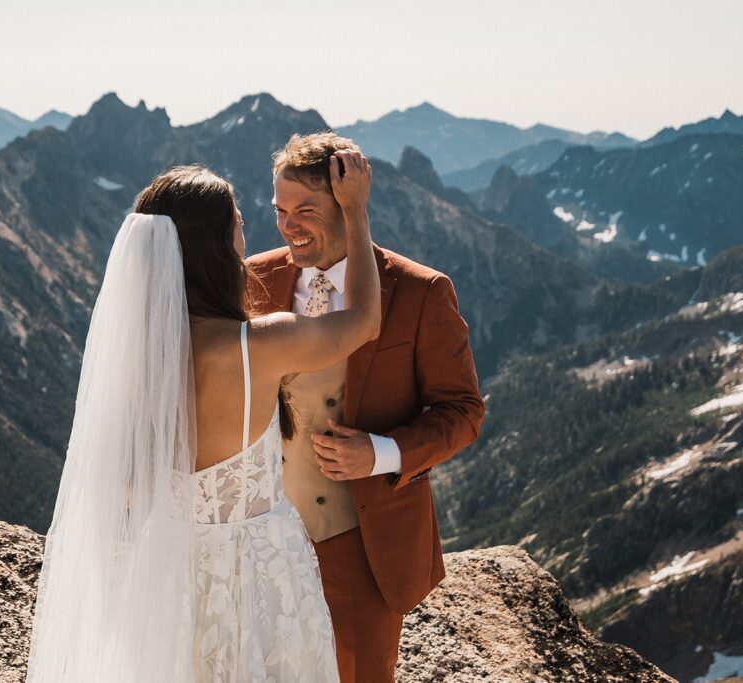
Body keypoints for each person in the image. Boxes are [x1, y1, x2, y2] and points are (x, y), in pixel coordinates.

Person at [25, 153, 378, 681]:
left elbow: (126, 481)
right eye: (237, 224)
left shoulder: (142, 355)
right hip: (259, 566)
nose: (246, 235)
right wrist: (356, 212)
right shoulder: (258, 343)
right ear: (214, 246)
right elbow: (364, 321)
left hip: (166, 564)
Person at [246, 132, 486, 683]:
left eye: (306, 210)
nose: (289, 226)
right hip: (261, 535)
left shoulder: (421, 291)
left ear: (348, 205)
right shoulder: (255, 277)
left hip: (359, 543)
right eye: (280, 210)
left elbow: (464, 410)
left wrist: (380, 453)